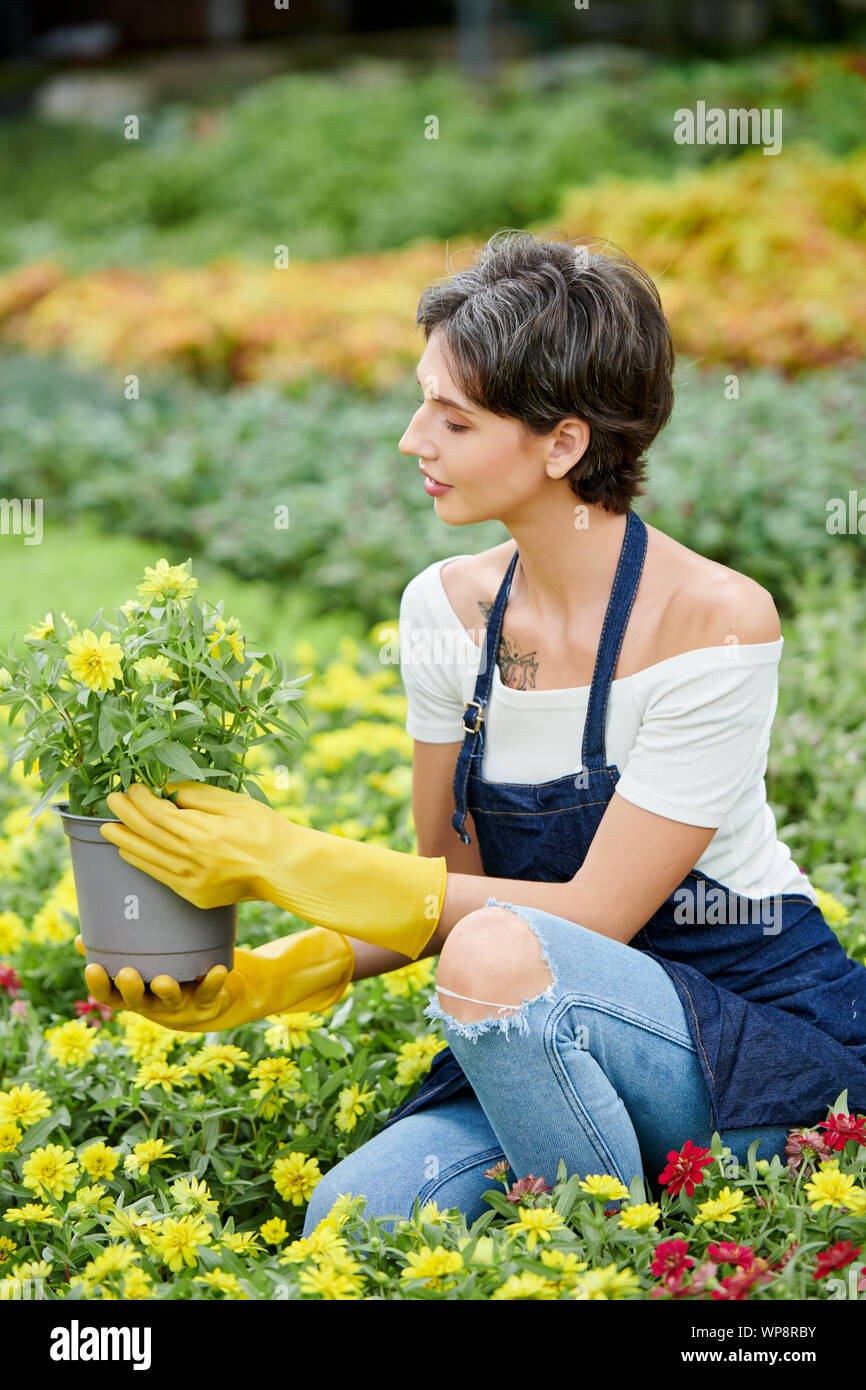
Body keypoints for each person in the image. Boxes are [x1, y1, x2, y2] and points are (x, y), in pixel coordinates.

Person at [81, 231, 866, 1240]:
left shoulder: (712, 620)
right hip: (527, 1026)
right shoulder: (445, 612)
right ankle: (606, 1194)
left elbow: (586, 916)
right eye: (421, 403)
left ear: (562, 443)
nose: (413, 440)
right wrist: (274, 975)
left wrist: (287, 858)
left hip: (758, 1046)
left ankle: (607, 1258)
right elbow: (439, 888)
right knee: (359, 1216)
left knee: (501, 951)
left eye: (452, 419)